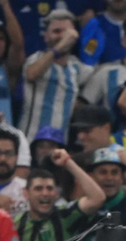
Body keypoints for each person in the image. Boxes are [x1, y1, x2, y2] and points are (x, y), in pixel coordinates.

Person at [18, 9, 90, 142]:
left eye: (66, 32)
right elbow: (31, 74)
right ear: (46, 36)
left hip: (60, 146)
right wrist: (60, 46)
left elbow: (97, 74)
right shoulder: (37, 58)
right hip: (30, 142)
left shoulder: (76, 67)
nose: (62, 36)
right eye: (56, 31)